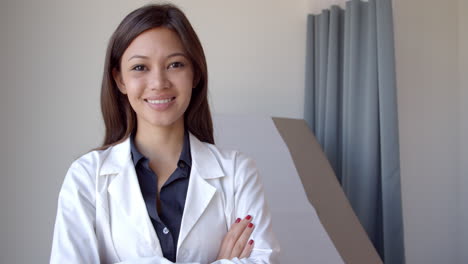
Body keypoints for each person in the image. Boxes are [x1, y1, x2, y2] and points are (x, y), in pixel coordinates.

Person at [50, 3, 279, 264]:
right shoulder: (86, 178)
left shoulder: (238, 172)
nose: (159, 83)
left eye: (175, 64)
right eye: (140, 68)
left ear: (195, 74)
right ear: (120, 80)